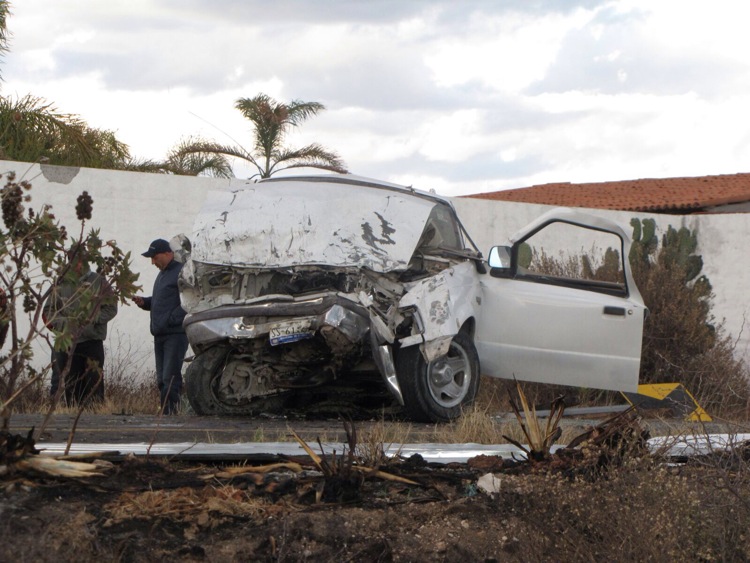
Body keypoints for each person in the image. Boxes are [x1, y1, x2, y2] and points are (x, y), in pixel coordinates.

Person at [45, 245, 118, 406]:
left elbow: (111, 308)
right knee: (72, 386)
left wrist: (93, 319)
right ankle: (73, 415)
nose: (76, 264)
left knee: (94, 384)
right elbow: (48, 310)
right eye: (72, 260)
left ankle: (97, 415)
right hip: (68, 342)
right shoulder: (61, 282)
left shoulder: (99, 281)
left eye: (78, 260)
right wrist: (62, 324)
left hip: (92, 341)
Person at [133, 238, 188, 415]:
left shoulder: (182, 272)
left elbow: (189, 302)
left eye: (155, 257)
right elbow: (162, 302)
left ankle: (171, 413)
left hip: (175, 334)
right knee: (162, 380)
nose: (153, 262)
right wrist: (145, 302)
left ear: (167, 253)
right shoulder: (162, 274)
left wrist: (171, 319)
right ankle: (166, 412)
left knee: (169, 377)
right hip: (160, 334)